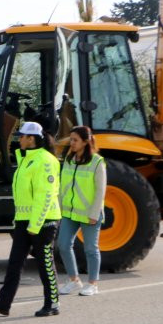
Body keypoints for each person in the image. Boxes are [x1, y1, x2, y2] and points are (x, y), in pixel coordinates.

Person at [0, 121, 62, 317]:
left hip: (43, 221)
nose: (19, 139)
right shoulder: (26, 159)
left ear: (32, 139)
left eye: (22, 136)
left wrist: (35, 224)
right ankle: (3, 303)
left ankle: (52, 303)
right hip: (24, 220)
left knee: (45, 264)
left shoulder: (46, 161)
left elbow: (45, 195)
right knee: (14, 263)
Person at [57, 126, 107, 296]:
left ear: (85, 142)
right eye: (70, 139)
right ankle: (74, 280)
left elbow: (100, 191)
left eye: (75, 140)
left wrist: (94, 213)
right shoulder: (69, 159)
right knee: (63, 245)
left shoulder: (97, 162)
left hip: (89, 214)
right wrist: (60, 208)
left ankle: (93, 284)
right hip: (69, 212)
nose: (71, 143)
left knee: (91, 249)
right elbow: (62, 186)